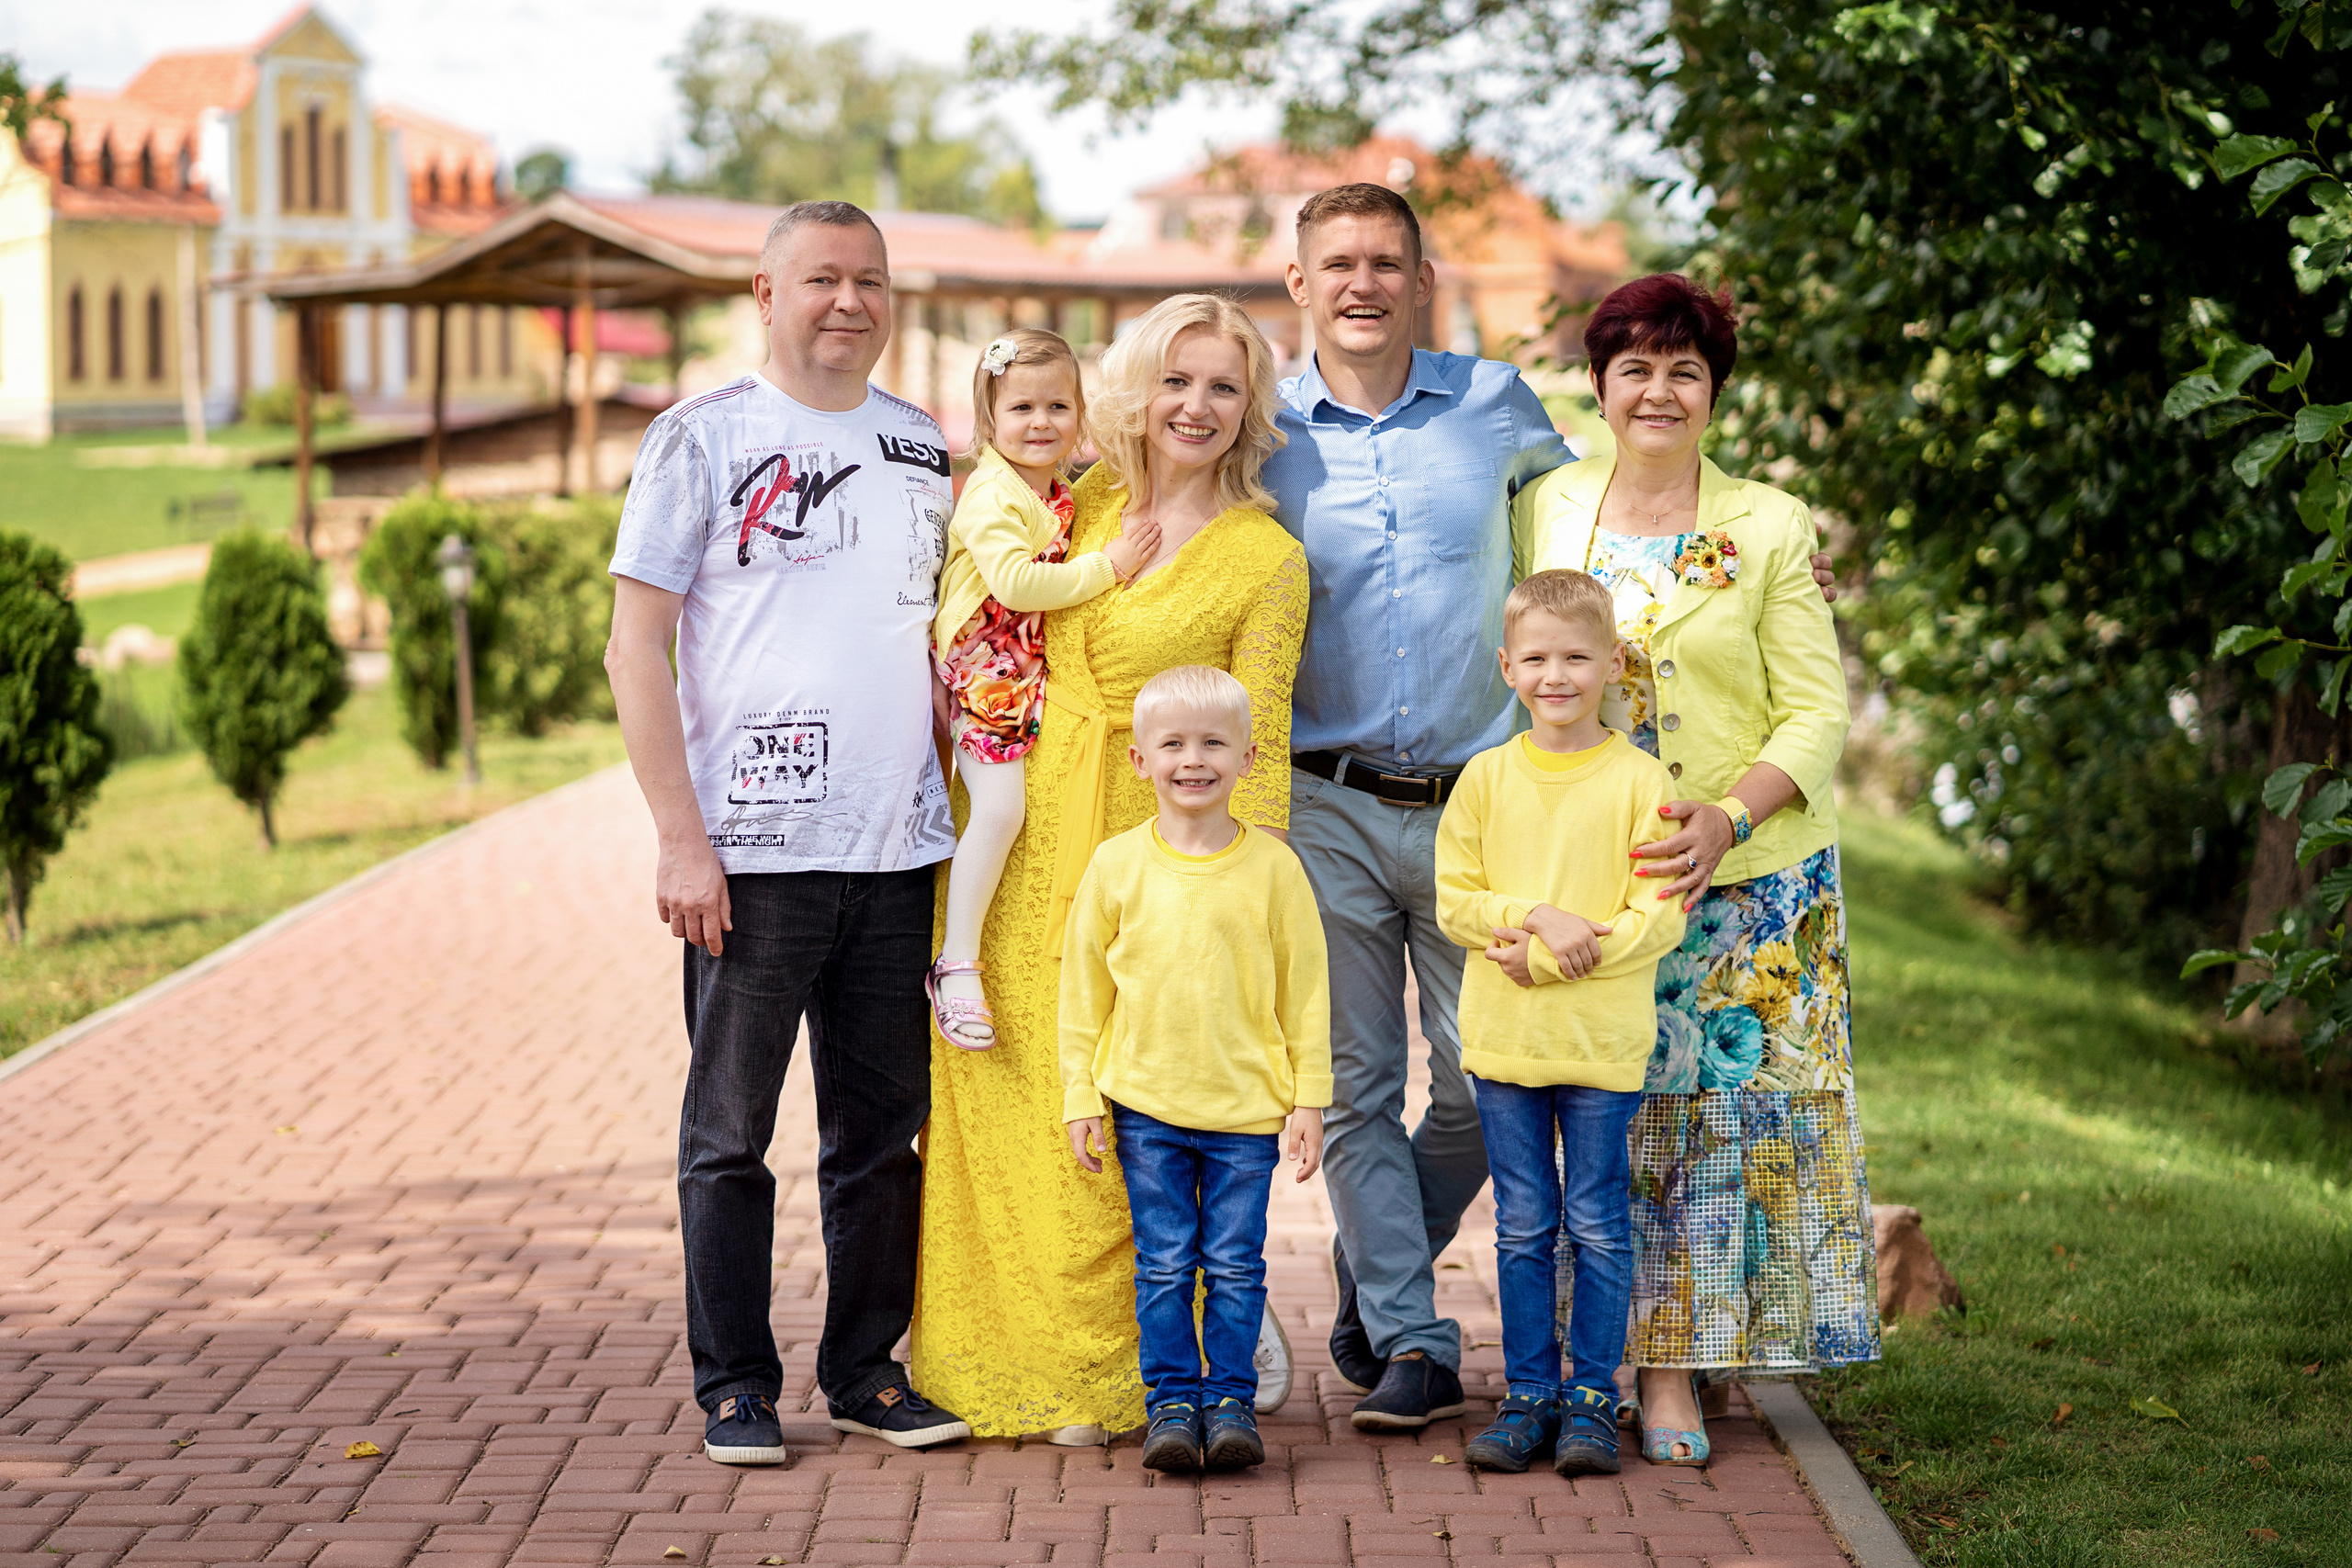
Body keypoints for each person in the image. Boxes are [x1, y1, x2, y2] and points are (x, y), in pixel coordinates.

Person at [1263, 183, 1843, 1431]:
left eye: (1387, 262)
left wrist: (1774, 547)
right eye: (1337, 263)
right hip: (1327, 803)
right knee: (1360, 1084)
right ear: (1299, 282)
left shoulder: (1501, 415)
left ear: (1423, 279)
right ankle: (1414, 1335)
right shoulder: (1256, 427)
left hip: (1492, 805)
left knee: (1484, 1083)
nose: (1363, 283)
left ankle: (1384, 1273)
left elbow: (1614, 547)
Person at [605, 199, 971, 1467]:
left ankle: (865, 1369)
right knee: (730, 1136)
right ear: (765, 295)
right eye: (821, 278)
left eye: (869, 280)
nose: (848, 301)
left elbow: (932, 635)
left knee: (879, 1135)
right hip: (750, 861)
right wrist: (677, 836)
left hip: (897, 849)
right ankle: (734, 1384)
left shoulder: (922, 447)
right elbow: (635, 644)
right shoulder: (700, 439)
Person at [910, 295, 1309, 1443]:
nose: (1195, 407)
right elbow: (977, 619)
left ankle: (1136, 1361)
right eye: (1176, 381)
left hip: (1156, 858)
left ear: (1249, 410)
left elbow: (1264, 738)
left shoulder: (1264, 558)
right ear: (1135, 389)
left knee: (1136, 1100)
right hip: (1015, 833)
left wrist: (1253, 897)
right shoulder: (1069, 500)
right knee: (1013, 1099)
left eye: (1223, 387)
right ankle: (1011, 1353)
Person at [1513, 272, 1877, 1469]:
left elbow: (1816, 712)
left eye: (1684, 368)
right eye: (1635, 367)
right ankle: (1625, 1353)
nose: (1657, 389)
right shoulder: (1548, 509)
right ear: (1602, 383)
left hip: (1751, 873)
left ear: (1714, 389)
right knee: (1616, 1125)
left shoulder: (1773, 521)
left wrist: (1727, 815)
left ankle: (1675, 1370)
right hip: (1598, 868)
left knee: (1719, 1122)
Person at [1434, 570, 1685, 1477]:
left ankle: (1591, 1397)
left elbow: (1658, 915)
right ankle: (1528, 1395)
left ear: (1611, 665)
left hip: (1601, 1049)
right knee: (1521, 1227)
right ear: (1507, 666)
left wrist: (1544, 956)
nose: (1556, 675)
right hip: (1505, 1044)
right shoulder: (1486, 779)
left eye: (1576, 657)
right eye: (1536, 657)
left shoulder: (1638, 779)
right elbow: (1456, 903)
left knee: (1597, 1224)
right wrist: (1540, 915)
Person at [1058, 665, 1332, 1473]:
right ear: (1139, 759)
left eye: (1213, 742)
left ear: (1248, 757)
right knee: (1167, 1262)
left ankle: (1232, 1402)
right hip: (1145, 1105)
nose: (1193, 759)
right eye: (1172, 743)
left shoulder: (1275, 870)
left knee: (1238, 1264)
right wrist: (1081, 1093)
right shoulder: (1115, 866)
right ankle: (1172, 1402)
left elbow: (1308, 993)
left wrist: (1308, 1097)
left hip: (1247, 1112)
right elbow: (1083, 993)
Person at [928, 329, 1161, 1049]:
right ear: (988, 418)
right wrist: (1111, 567)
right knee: (998, 812)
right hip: (988, 671)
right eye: (1021, 406)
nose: (1040, 422)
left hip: (1027, 666)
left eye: (1058, 405)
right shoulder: (992, 496)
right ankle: (957, 961)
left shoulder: (1055, 488)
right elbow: (1017, 582)